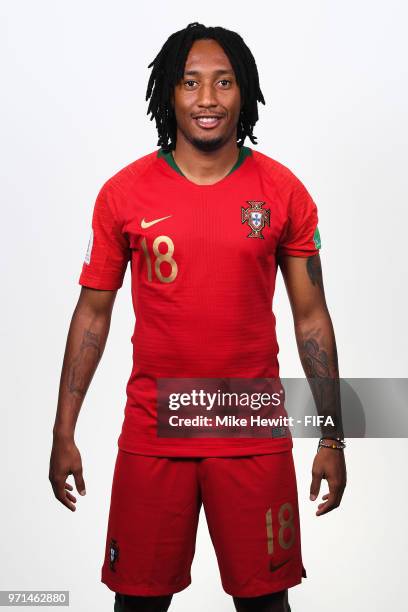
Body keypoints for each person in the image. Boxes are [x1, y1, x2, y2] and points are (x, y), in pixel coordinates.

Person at [49, 22, 347, 612]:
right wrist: (64, 430)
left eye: (223, 82)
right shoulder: (122, 194)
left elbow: (311, 321)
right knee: (137, 603)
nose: (207, 99)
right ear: (168, 93)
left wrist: (333, 437)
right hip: (153, 430)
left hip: (252, 429)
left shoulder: (284, 194)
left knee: (266, 605)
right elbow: (92, 316)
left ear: (245, 92)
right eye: (190, 83)